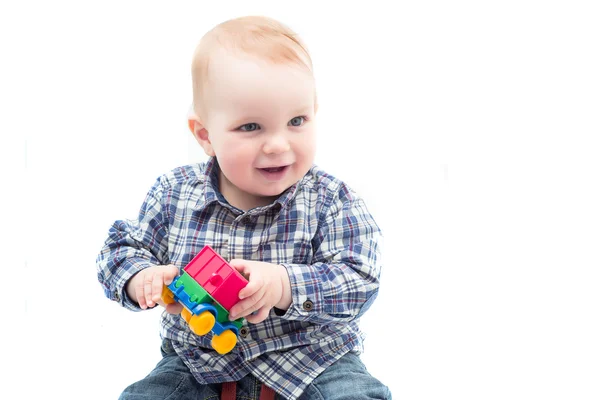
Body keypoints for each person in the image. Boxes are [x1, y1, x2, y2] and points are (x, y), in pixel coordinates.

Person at [96, 15, 391, 400]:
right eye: (251, 127)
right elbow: (119, 251)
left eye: (296, 120)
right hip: (198, 362)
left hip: (313, 361)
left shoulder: (331, 200)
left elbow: (360, 281)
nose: (277, 145)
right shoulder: (174, 194)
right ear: (205, 135)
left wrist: (284, 285)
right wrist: (143, 278)